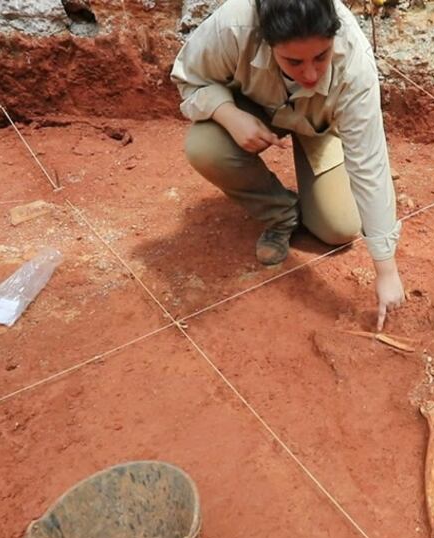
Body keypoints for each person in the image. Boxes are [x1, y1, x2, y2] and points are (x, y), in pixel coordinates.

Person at [171, 0, 404, 329]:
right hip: (254, 109)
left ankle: (315, 170)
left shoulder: (355, 63)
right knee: (205, 148)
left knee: (339, 228)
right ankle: (281, 214)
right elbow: (188, 79)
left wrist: (386, 270)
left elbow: (369, 162)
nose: (309, 74)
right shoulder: (233, 26)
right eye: (293, 61)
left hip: (319, 125)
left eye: (321, 57)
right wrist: (229, 114)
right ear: (266, 40)